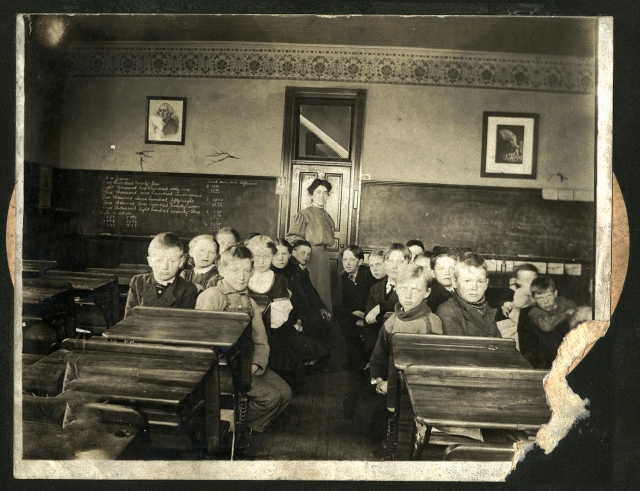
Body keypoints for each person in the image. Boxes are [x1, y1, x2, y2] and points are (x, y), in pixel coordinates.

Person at [195, 246, 292, 434]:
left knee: (286, 394)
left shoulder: (250, 302)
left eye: (247, 271)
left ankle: (238, 426)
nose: (242, 277)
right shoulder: (211, 297)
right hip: (220, 371)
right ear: (222, 270)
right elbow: (203, 344)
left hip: (246, 364)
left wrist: (256, 364)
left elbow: (261, 341)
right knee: (270, 398)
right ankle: (226, 427)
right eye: (235, 271)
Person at [346, 263, 442, 451]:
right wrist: (378, 378)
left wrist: (390, 385)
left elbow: (424, 370)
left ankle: (392, 447)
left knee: (382, 422)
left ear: (427, 292)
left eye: (415, 289)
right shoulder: (395, 317)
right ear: (396, 288)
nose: (408, 294)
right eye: (403, 288)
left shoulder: (430, 324)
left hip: (410, 393)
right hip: (389, 384)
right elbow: (379, 353)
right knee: (354, 408)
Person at [246, 235, 328, 391]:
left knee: (283, 362)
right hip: (247, 329)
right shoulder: (245, 276)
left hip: (274, 329)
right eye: (257, 257)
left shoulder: (277, 280)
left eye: (267, 257)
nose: (262, 261)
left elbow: (280, 315)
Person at [271, 238, 332, 359]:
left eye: (284, 254)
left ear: (289, 255)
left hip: (298, 312)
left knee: (319, 321)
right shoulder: (268, 273)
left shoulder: (295, 271)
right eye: (277, 253)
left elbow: (309, 292)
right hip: (280, 317)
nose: (281, 258)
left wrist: (320, 308)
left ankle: (315, 360)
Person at [285, 178, 335, 312]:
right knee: (311, 290)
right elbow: (292, 238)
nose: (322, 196)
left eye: (325, 192)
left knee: (323, 292)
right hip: (310, 258)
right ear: (311, 194)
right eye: (318, 192)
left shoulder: (327, 215)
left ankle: (324, 323)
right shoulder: (304, 214)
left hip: (324, 258)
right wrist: (301, 258)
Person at [124, 232, 198, 318]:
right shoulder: (138, 282)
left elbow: (182, 326)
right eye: (159, 261)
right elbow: (128, 319)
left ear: (181, 262)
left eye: (172, 261)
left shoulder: (188, 289)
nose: (165, 267)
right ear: (150, 261)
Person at [363, 243, 411, 360]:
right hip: (377, 350)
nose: (394, 266)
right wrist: (373, 354)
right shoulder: (376, 288)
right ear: (384, 263)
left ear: (409, 264)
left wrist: (380, 307)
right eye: (389, 261)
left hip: (401, 349)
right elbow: (368, 323)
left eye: (400, 262)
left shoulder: (412, 287)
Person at [437, 252, 502, 338]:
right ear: (454, 282)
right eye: (467, 281)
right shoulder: (447, 311)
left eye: (480, 281)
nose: (474, 287)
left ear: (486, 284)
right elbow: (459, 349)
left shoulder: (487, 309)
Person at [337, 245, 377, 372]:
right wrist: (356, 313)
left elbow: (376, 300)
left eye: (352, 259)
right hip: (358, 312)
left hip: (372, 313)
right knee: (343, 318)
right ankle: (355, 360)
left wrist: (365, 317)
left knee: (357, 327)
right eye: (344, 259)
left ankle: (365, 362)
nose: (347, 264)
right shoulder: (344, 277)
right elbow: (346, 302)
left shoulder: (368, 274)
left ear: (360, 261)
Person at [527, 276, 577, 366]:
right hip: (547, 357)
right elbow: (546, 325)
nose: (546, 301)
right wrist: (566, 314)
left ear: (555, 293)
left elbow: (579, 315)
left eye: (549, 296)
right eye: (540, 298)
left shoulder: (565, 302)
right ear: (533, 299)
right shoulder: (534, 312)